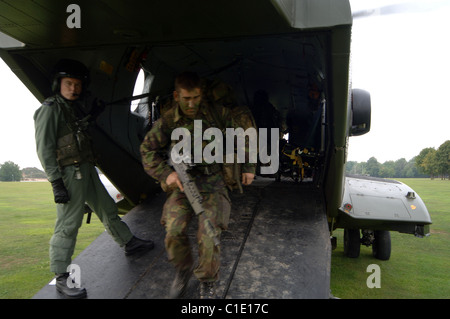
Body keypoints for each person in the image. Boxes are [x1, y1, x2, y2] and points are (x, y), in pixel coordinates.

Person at [34, 59, 154, 299]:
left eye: (77, 84)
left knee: (108, 208)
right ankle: (61, 277)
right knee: (68, 225)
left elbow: (75, 131)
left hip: (86, 169)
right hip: (69, 175)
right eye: (68, 83)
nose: (73, 89)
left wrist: (93, 114)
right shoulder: (49, 109)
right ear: (58, 84)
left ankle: (129, 243)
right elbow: (44, 149)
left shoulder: (70, 108)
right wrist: (56, 182)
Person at [140, 72, 255, 299]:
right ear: (176, 95)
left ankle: (207, 281)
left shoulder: (216, 113)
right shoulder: (169, 120)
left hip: (213, 182)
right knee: (173, 229)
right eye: (186, 99)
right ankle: (183, 270)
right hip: (183, 183)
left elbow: (242, 136)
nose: (191, 104)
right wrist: (167, 175)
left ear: (201, 94)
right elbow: (147, 150)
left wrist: (249, 167)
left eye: (195, 97)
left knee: (209, 232)